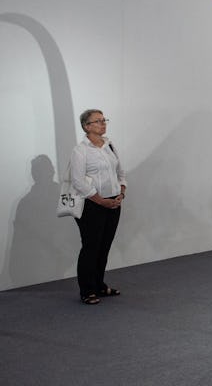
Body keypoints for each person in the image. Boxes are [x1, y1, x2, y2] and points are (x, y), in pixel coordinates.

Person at [70, 109, 127, 305]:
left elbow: (120, 171)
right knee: (91, 247)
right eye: (98, 121)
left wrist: (122, 192)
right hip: (92, 205)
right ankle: (87, 290)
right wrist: (101, 200)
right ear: (87, 126)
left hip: (113, 203)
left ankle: (99, 285)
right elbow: (78, 181)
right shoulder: (81, 150)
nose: (103, 124)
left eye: (104, 120)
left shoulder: (109, 144)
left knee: (104, 247)